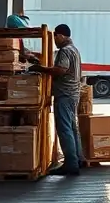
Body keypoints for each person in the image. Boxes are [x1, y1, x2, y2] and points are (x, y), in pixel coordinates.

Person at [23, 23, 84, 176]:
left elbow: (60, 70)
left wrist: (40, 69)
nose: (55, 41)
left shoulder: (65, 51)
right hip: (73, 94)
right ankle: (78, 159)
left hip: (64, 94)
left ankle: (71, 163)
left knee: (64, 129)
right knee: (72, 127)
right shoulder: (74, 50)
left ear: (61, 36)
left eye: (55, 37)